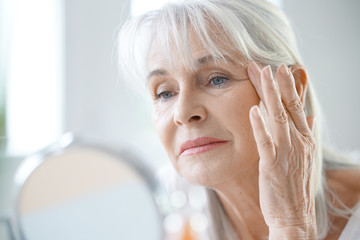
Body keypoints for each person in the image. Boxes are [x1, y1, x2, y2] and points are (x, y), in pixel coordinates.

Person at [117, 0, 360, 239]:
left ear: (291, 88)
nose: (182, 113)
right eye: (165, 93)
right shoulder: (155, 206)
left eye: (217, 79)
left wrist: (291, 225)